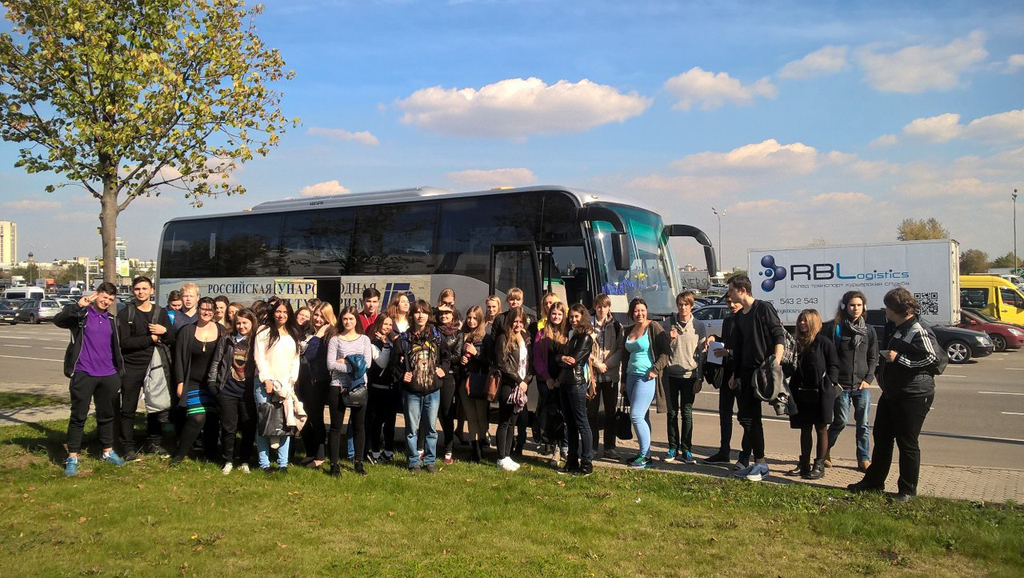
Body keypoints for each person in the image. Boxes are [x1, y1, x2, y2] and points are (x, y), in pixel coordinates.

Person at [849, 288, 938, 502]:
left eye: (888, 307)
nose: (885, 311)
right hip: (892, 393)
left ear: (898, 309)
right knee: (882, 438)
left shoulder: (918, 329)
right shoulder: (897, 327)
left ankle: (907, 490)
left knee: (907, 443)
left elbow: (932, 359)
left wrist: (899, 359)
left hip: (913, 394)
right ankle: (873, 482)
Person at [54, 283, 127, 476]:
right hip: (84, 373)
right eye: (104, 297)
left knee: (106, 415)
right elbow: (58, 320)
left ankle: (107, 451)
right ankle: (72, 456)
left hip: (108, 374)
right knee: (79, 416)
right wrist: (78, 306)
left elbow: (116, 346)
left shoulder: (111, 319)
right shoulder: (82, 316)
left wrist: (118, 373)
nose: (106, 301)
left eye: (111, 299)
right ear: (97, 295)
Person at [726, 274, 787, 482]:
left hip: (763, 371)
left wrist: (775, 364)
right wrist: (735, 375)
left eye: (731, 290)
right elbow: (739, 348)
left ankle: (762, 465)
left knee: (753, 419)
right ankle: (758, 462)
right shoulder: (739, 316)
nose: (729, 294)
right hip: (744, 373)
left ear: (742, 290)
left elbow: (778, 335)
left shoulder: (763, 308)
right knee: (747, 419)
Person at [116, 276, 173, 460]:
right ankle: (128, 446)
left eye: (144, 288)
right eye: (137, 289)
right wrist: (151, 339)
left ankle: (154, 442)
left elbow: (171, 338)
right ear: (133, 291)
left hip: (155, 365)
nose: (141, 292)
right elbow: (124, 343)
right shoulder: (126, 313)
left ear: (151, 290)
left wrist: (164, 331)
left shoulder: (160, 312)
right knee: (128, 408)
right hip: (131, 366)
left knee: (155, 406)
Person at [823, 291, 878, 473]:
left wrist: (868, 379)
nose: (856, 309)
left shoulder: (869, 330)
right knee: (840, 421)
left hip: (862, 386)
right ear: (845, 306)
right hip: (841, 385)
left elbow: (873, 357)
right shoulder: (836, 328)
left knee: (863, 424)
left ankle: (863, 459)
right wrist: (832, 379)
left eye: (859, 305)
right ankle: (824, 451)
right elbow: (828, 356)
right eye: (852, 305)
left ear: (864, 307)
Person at [393, 299, 448, 473]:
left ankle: (430, 461)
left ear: (429, 315)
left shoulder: (437, 337)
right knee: (411, 429)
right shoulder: (404, 339)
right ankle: (413, 462)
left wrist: (443, 369)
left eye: (424, 312)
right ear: (412, 315)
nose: (420, 315)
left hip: (433, 391)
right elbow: (394, 365)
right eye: (417, 312)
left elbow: (446, 357)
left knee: (431, 428)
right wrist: (402, 375)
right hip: (412, 392)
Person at [171, 297, 224, 464]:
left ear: (214, 312)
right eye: (203, 308)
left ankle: (210, 454)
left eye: (210, 309)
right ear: (198, 310)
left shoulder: (221, 330)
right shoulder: (187, 331)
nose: (206, 312)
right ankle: (180, 454)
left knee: (212, 419)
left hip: (213, 383)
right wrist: (180, 382)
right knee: (197, 417)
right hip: (192, 382)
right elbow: (178, 358)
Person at [655, 291, 707, 464]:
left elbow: (702, 355)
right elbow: (661, 348)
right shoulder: (668, 323)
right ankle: (672, 448)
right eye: (680, 304)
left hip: (689, 376)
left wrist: (700, 378)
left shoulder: (698, 326)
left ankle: (686, 449)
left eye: (686, 304)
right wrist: (669, 339)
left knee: (687, 413)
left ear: (691, 306)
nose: (683, 308)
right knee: (671, 413)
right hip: (670, 375)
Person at [787, 309, 839, 480]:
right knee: (805, 428)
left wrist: (830, 382)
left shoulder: (824, 342)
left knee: (821, 428)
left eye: (806, 320)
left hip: (820, 392)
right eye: (800, 320)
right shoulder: (795, 342)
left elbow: (833, 365)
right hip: (800, 391)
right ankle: (804, 464)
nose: (802, 323)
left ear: (814, 322)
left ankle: (819, 465)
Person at [253, 298, 302, 473]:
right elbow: (259, 357)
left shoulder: (293, 333)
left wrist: (292, 380)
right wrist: (266, 379)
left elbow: (295, 360)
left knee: (285, 423)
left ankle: (283, 463)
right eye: (278, 311)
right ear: (273, 313)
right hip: (264, 385)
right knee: (264, 424)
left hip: (286, 385)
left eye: (285, 312)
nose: (281, 315)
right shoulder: (263, 331)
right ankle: (264, 463)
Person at [619, 298, 669, 470]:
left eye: (642, 310)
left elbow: (666, 353)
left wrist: (655, 369)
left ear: (647, 311)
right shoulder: (628, 330)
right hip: (631, 377)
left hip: (646, 377)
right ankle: (644, 454)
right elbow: (625, 356)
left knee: (636, 415)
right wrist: (623, 380)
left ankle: (645, 457)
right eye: (636, 311)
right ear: (631, 313)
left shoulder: (653, 327)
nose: (639, 313)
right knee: (643, 417)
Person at [208, 308, 258, 474]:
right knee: (228, 427)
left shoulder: (257, 341)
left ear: (252, 323)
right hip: (227, 389)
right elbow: (217, 361)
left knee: (248, 426)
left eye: (245, 323)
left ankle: (244, 460)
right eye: (238, 323)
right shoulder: (227, 339)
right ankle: (228, 460)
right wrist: (212, 382)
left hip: (248, 391)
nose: (241, 326)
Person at [326, 306, 373, 476]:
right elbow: (330, 364)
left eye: (351, 318)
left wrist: (345, 361)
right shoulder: (335, 340)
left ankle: (358, 462)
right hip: (338, 385)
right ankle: (334, 464)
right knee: (336, 427)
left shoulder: (364, 340)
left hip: (359, 387)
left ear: (356, 320)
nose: (348, 322)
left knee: (359, 425)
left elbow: (367, 364)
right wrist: (354, 365)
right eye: (345, 318)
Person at [702, 297, 749, 467]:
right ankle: (724, 451)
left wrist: (729, 352)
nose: (731, 305)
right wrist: (714, 338)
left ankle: (745, 456)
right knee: (724, 414)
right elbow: (727, 342)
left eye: (734, 302)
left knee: (746, 418)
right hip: (726, 373)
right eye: (728, 302)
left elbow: (748, 348)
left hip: (742, 374)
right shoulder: (728, 321)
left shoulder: (748, 320)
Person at [557, 304, 596, 476]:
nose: (573, 320)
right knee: (570, 423)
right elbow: (557, 357)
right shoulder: (572, 335)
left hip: (577, 383)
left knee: (582, 423)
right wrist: (561, 358)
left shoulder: (586, 337)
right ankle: (572, 461)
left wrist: (562, 359)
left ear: (583, 317)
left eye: (576, 317)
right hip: (565, 382)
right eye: (571, 317)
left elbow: (574, 360)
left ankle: (587, 463)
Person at [493, 307, 533, 472]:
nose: (518, 324)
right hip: (509, 384)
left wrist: (526, 381)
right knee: (504, 421)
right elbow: (502, 363)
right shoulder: (503, 337)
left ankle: (508, 455)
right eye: (515, 321)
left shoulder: (525, 337)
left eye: (520, 321)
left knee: (512, 423)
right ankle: (501, 457)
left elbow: (528, 362)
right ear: (509, 321)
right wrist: (518, 380)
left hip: (521, 386)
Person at [298, 302, 337, 468]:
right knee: (303, 415)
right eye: (316, 315)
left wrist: (318, 336)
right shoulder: (307, 330)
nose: (318, 319)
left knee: (316, 417)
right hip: (302, 379)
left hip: (318, 381)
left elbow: (311, 354)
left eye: (322, 316)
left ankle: (320, 455)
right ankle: (310, 452)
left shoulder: (330, 334)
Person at [534, 299, 569, 467]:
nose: (556, 317)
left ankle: (565, 448)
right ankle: (555, 449)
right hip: (545, 380)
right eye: (553, 313)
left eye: (559, 314)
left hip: (563, 380)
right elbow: (537, 358)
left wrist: (559, 380)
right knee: (552, 416)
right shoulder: (541, 333)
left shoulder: (568, 334)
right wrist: (547, 378)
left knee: (565, 415)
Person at [589, 293, 623, 460]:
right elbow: (584, 348)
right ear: (595, 307)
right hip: (593, 377)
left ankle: (609, 447)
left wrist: (607, 365)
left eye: (604, 306)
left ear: (609, 308)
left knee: (610, 412)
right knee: (592, 413)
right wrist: (597, 364)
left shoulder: (616, 326)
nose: (601, 309)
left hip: (610, 376)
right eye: (599, 306)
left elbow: (620, 349)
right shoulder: (588, 325)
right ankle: (592, 447)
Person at [459, 305, 491, 463]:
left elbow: (489, 362)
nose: (471, 321)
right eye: (469, 317)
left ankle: (482, 445)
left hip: (479, 381)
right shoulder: (462, 335)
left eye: (474, 318)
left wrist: (476, 353)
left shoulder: (486, 338)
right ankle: (475, 451)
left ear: (480, 319)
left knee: (481, 416)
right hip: (464, 380)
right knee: (471, 417)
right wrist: (462, 359)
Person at [433, 304, 464, 464]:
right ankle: (423, 448)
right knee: (430, 412)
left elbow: (457, 356)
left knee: (446, 413)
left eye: (447, 313)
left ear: (453, 315)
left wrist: (441, 363)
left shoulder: (458, 334)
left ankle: (448, 449)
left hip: (448, 376)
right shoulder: (433, 330)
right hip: (432, 374)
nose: (444, 316)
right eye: (441, 313)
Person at [366, 315, 399, 462]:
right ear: (379, 325)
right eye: (385, 324)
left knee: (390, 422)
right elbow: (382, 363)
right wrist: (385, 345)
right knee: (377, 421)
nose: (387, 327)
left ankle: (388, 451)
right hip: (377, 388)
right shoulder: (373, 343)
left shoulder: (393, 342)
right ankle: (374, 452)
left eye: (390, 325)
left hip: (392, 388)